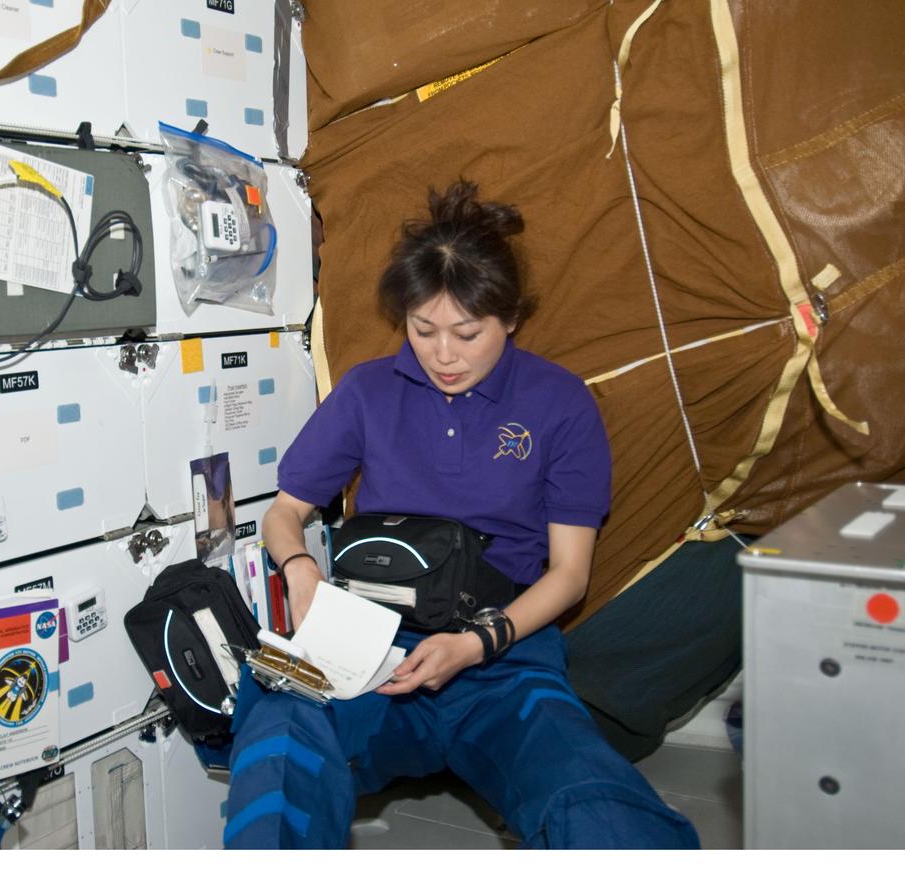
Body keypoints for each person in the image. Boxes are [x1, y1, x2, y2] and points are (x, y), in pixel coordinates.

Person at [221, 180, 700, 849]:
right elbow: (284, 513)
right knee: (277, 742)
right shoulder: (367, 391)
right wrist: (300, 570)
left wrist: (474, 646)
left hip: (502, 662)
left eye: (468, 333)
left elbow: (569, 575)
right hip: (370, 651)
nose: (444, 354)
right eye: (423, 330)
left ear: (511, 319)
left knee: (592, 801)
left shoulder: (560, 403)